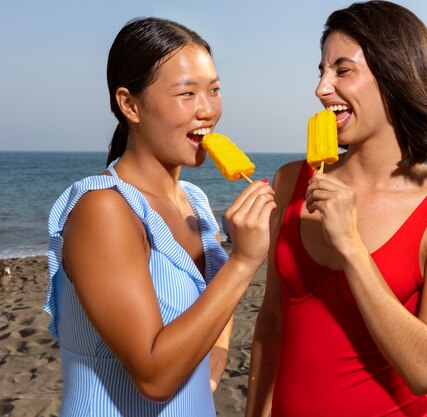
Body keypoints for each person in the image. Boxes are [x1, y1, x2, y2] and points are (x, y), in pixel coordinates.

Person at [245, 2, 427, 416]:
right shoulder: (289, 181)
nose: (321, 89)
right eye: (321, 72)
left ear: (396, 77)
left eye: (341, 71)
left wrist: (352, 248)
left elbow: (426, 369)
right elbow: (271, 324)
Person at [44, 17, 276, 417]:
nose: (208, 110)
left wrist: (205, 383)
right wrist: (243, 260)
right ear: (129, 104)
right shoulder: (103, 209)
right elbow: (154, 378)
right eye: (187, 93)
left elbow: (215, 314)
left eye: (214, 90)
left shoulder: (196, 201)